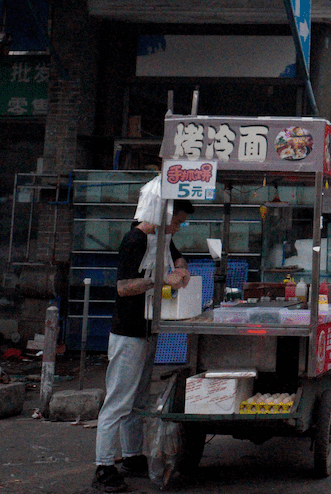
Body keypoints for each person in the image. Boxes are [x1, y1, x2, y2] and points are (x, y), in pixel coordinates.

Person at [93, 196, 193, 493]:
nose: (177, 228)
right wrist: (161, 280)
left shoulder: (162, 239)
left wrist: (181, 269)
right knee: (119, 401)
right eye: (176, 221)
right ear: (162, 215)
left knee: (138, 399)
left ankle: (132, 455)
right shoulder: (135, 240)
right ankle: (103, 466)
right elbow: (124, 287)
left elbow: (178, 256)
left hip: (148, 329)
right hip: (128, 331)